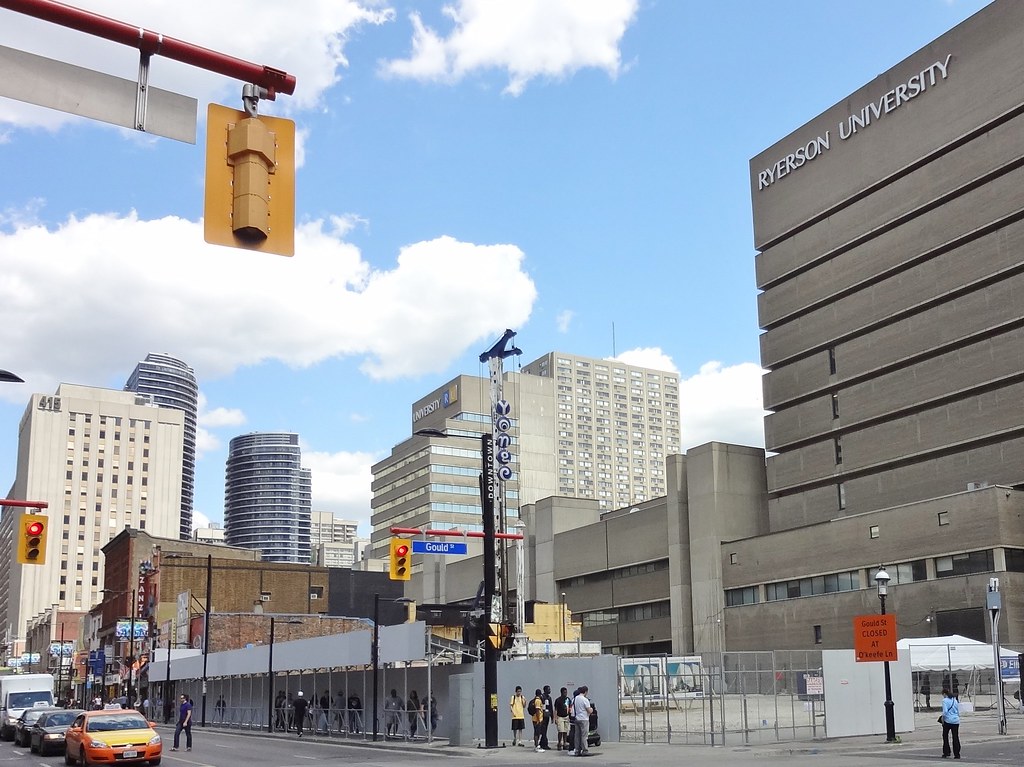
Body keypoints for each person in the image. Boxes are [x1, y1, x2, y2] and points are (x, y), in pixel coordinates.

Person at [571, 685, 593, 756]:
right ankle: (585, 750)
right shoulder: (585, 700)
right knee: (584, 736)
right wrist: (591, 710)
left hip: (576, 718)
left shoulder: (574, 699)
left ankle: (577, 750)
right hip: (584, 719)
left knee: (577, 735)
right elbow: (589, 710)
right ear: (586, 692)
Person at [940, 687, 961, 759]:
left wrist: (943, 718)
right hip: (956, 720)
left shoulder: (944, 701)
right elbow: (958, 711)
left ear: (944, 694)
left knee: (945, 736)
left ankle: (946, 752)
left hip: (948, 720)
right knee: (955, 737)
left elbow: (945, 711)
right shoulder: (955, 700)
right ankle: (957, 753)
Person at [540, 685, 553, 749]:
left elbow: (551, 707)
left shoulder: (549, 698)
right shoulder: (542, 697)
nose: (550, 690)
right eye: (548, 689)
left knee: (545, 730)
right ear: (545, 690)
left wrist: (552, 717)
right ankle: (544, 744)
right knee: (543, 730)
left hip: (547, 716)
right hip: (542, 716)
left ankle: (542, 743)